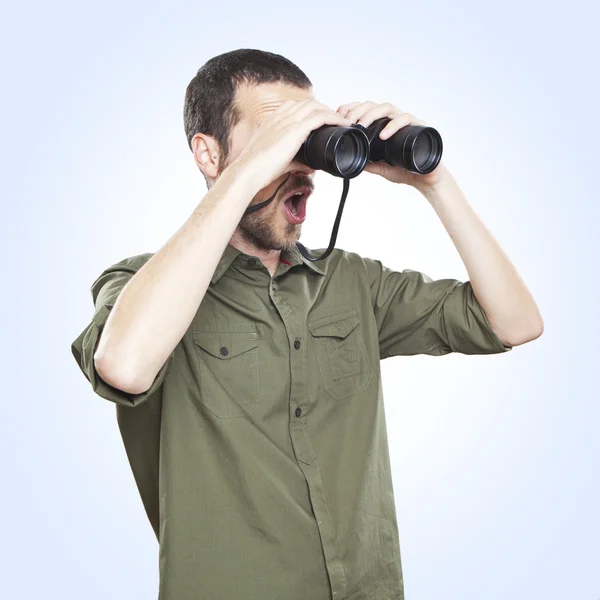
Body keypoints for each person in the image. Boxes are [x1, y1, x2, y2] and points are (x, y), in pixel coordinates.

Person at [71, 48, 543, 600]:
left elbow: (515, 323)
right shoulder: (139, 285)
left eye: (307, 138)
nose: (300, 165)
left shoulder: (352, 282)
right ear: (208, 153)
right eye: (277, 138)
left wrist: (435, 183)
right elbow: (123, 366)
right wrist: (249, 171)